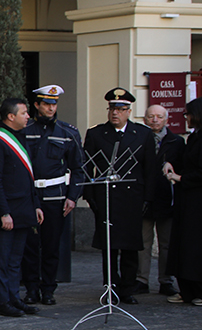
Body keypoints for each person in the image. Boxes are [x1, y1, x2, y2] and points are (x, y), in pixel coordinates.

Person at [83, 87, 156, 304]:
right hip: (106, 198)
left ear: (128, 111)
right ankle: (111, 288)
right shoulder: (96, 134)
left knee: (131, 246)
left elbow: (150, 169)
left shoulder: (142, 134)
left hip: (132, 197)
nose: (115, 113)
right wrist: (89, 195)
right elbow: (88, 168)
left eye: (120, 109)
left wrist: (147, 198)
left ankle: (127, 289)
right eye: (112, 108)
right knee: (109, 247)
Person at [19, 84, 83, 305]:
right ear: (36, 105)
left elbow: (78, 168)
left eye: (53, 104)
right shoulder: (24, 132)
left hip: (56, 197)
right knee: (29, 246)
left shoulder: (68, 132)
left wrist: (73, 196)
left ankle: (48, 289)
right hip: (30, 195)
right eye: (46, 104)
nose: (50, 108)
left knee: (51, 246)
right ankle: (31, 288)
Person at [0, 98, 44, 317]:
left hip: (24, 209)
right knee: (2, 258)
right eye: (24, 113)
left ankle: (14, 297)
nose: (28, 116)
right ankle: (2, 301)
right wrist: (3, 213)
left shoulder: (21, 138)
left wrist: (35, 205)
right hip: (6, 212)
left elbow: (29, 177)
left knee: (16, 259)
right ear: (11, 116)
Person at [137, 104, 184, 297]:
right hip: (144, 199)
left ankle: (166, 280)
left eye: (159, 116)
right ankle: (141, 280)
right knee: (143, 242)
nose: (155, 120)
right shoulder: (139, 138)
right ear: (145, 119)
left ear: (166, 119)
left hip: (168, 200)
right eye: (151, 116)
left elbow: (183, 169)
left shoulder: (177, 142)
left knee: (166, 243)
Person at [164, 98, 202, 305]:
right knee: (183, 244)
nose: (185, 118)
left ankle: (198, 289)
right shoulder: (193, 137)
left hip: (197, 201)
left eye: (188, 114)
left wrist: (181, 178)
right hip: (186, 200)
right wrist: (172, 164)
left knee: (194, 245)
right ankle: (187, 289)